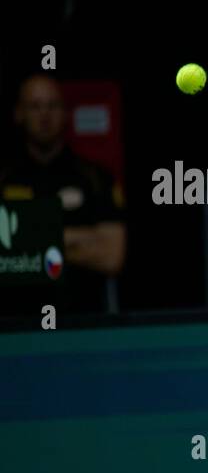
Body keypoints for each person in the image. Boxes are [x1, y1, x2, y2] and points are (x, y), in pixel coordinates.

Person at [0, 74, 126, 314]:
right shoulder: (5, 179)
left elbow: (112, 256)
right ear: (19, 114)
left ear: (66, 112)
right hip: (13, 324)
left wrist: (30, 241)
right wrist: (79, 240)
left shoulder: (96, 179)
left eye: (52, 105)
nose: (44, 115)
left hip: (83, 320)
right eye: (35, 106)